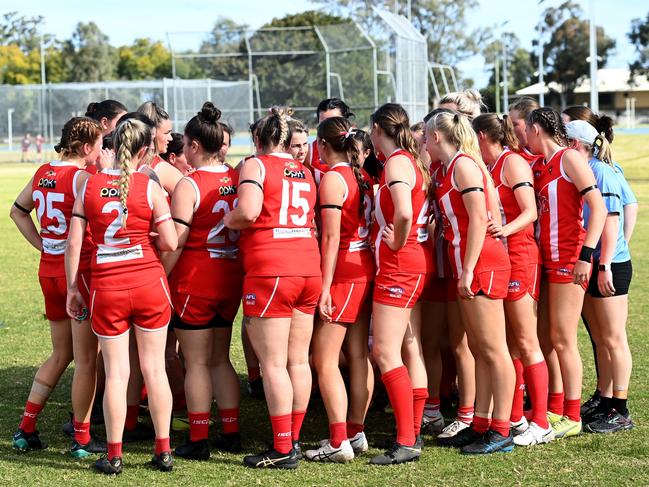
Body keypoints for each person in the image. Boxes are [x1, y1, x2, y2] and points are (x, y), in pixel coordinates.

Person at [65, 118, 178, 474]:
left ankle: (114, 455)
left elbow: (73, 242)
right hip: (148, 283)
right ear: (145, 151)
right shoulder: (149, 186)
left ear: (113, 145)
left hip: (107, 287)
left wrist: (72, 288)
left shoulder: (90, 185)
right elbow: (172, 242)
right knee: (155, 369)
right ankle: (163, 451)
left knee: (116, 374)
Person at [224, 107, 321, 469]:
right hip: (307, 266)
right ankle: (291, 439)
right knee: (298, 359)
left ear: (258, 140)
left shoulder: (256, 165)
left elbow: (248, 212)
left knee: (274, 363)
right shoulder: (305, 171)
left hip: (272, 269)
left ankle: (283, 448)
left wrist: (227, 219)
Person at [10, 117, 103, 455]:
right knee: (86, 360)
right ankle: (81, 438)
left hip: (49, 270)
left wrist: (44, 245)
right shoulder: (82, 177)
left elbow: (18, 211)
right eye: (99, 145)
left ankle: (26, 427)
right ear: (87, 147)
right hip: (76, 274)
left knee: (61, 353)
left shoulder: (42, 173)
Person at [426, 110, 515, 455]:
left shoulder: (464, 164)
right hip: (471, 264)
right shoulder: (451, 168)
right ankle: (481, 423)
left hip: (482, 265)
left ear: (436, 137)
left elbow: (479, 218)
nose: (421, 142)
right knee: (480, 349)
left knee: (494, 350)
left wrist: (467, 269)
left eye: (424, 137)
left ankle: (502, 428)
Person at [162, 103, 243, 459]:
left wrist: (159, 276)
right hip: (230, 277)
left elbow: (176, 241)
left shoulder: (189, 183)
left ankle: (198, 439)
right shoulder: (237, 177)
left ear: (193, 146)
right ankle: (231, 430)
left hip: (196, 279)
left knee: (194, 362)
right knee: (220, 359)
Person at [526, 107, 606, 439]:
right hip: (546, 261)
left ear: (536, 128)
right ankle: (554, 408)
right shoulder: (540, 165)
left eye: (524, 129)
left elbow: (598, 208)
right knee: (546, 339)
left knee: (562, 339)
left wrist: (587, 257)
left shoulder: (569, 158)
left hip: (569, 259)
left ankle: (571, 416)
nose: (522, 137)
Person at [473, 113, 552, 446]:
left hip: (521, 255)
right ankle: (515, 416)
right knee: (506, 343)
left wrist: (504, 230)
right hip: (503, 259)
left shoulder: (512, 163)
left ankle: (542, 421)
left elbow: (530, 210)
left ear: (481, 136)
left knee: (525, 340)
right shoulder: (489, 167)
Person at [305, 117, 374, 463]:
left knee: (325, 359)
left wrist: (325, 285)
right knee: (359, 354)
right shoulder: (361, 174)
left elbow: (331, 238)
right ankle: (355, 431)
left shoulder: (334, 178)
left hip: (345, 272)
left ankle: (338, 440)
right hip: (363, 266)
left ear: (321, 145)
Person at [562, 106, 638, 419]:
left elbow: (611, 218)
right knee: (602, 338)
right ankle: (606, 398)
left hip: (609, 264)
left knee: (613, 338)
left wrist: (605, 262)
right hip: (595, 262)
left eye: (566, 141)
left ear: (576, 144)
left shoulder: (601, 171)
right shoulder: (587, 169)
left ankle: (620, 408)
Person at [368, 103, 434, 465]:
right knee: (410, 346)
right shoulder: (410, 159)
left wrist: (396, 242)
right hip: (409, 263)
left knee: (385, 352)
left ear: (378, 128)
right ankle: (414, 430)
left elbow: (405, 212)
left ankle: (406, 439)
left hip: (400, 265)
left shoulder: (397, 162)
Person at [137, 102, 184, 195]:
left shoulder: (124, 163)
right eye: (167, 133)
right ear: (152, 133)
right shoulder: (164, 170)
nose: (170, 138)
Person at [305, 98, 355, 185]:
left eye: (334, 121)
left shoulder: (359, 148)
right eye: (323, 123)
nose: (328, 127)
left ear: (345, 122)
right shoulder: (309, 152)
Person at [508, 97, 543, 166]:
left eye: (514, 124)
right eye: (509, 124)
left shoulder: (557, 155)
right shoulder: (509, 155)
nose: (509, 129)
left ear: (533, 124)